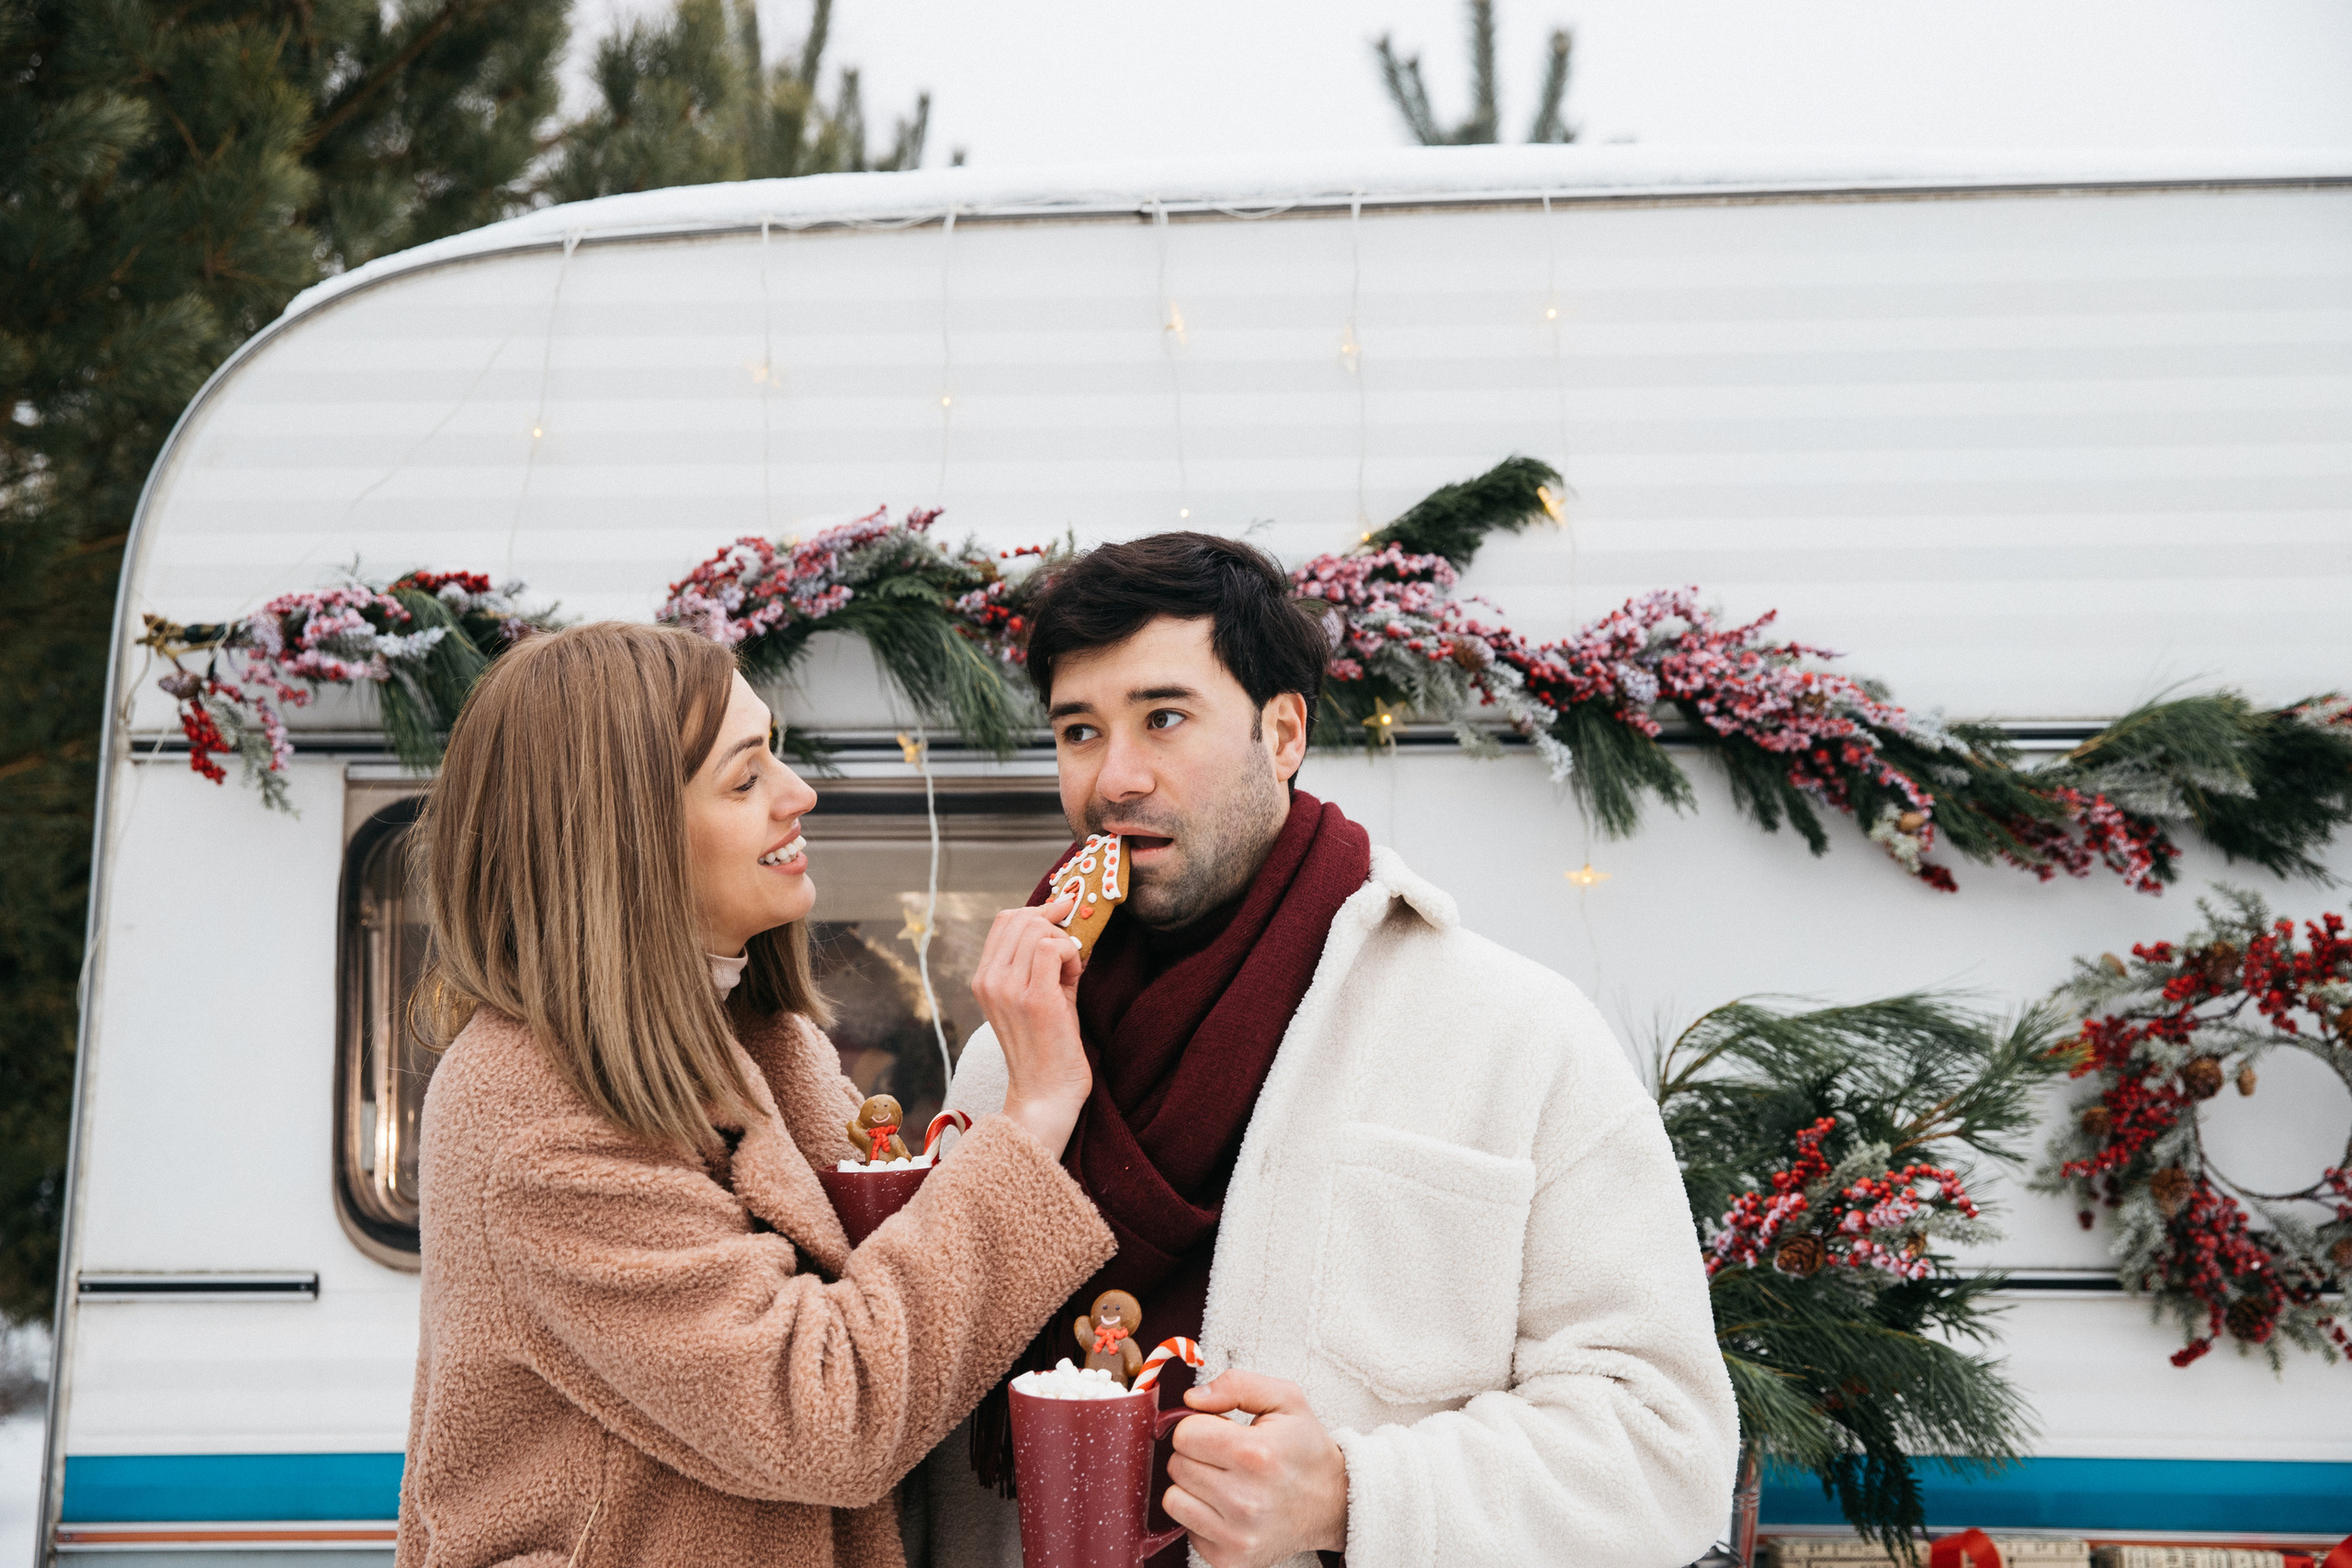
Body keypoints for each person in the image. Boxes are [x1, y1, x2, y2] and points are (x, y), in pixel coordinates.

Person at [921, 536, 1738, 1568]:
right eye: (1079, 730)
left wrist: (1356, 1497)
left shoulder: (1511, 1032)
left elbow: (1665, 1451)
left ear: (1283, 731)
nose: (1114, 778)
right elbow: (920, 1401)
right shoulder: (1012, 1059)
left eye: (1164, 718)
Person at [396, 621, 1113, 1568]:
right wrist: (1033, 1115)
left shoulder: (761, 1041)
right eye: (746, 778)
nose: (799, 793)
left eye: (776, 754)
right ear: (625, 839)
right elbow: (825, 1415)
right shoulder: (536, 1112)